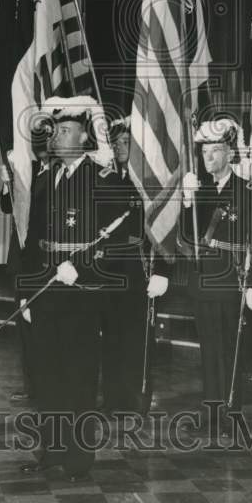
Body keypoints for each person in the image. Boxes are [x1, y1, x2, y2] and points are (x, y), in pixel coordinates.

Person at [18, 95, 128, 482]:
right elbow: (33, 239)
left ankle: (79, 459)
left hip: (82, 295)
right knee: (47, 375)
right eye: (55, 129)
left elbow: (122, 239)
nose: (57, 135)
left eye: (65, 129)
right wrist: (25, 290)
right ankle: (52, 450)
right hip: (45, 290)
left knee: (79, 376)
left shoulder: (103, 180)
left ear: (85, 137)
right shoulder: (47, 178)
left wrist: (83, 270)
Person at [182, 117, 252, 427]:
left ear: (230, 153)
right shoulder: (199, 189)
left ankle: (232, 411)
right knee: (209, 348)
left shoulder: (249, 191)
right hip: (203, 280)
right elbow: (185, 239)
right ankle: (212, 410)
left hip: (232, 280)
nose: (208, 157)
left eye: (215, 151)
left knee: (232, 348)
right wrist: (186, 203)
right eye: (204, 151)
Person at [99, 116, 168, 416]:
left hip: (140, 268)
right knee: (111, 335)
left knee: (138, 338)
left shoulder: (151, 182)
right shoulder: (105, 179)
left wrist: (164, 271)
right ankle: (113, 398)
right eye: (115, 142)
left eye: (126, 142)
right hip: (110, 270)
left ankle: (136, 398)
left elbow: (166, 229)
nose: (119, 147)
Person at [0, 128, 51, 403]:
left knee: (43, 324)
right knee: (25, 326)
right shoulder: (26, 170)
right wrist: (7, 183)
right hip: (21, 260)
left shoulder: (56, 174)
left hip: (42, 261)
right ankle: (31, 384)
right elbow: (8, 207)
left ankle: (46, 383)